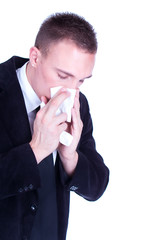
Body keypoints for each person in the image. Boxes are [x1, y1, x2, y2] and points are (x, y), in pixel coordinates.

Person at [0, 12, 109, 240]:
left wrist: (70, 157)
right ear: (35, 57)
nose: (71, 91)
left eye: (81, 80)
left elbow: (97, 185)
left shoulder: (79, 103)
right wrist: (35, 151)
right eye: (63, 76)